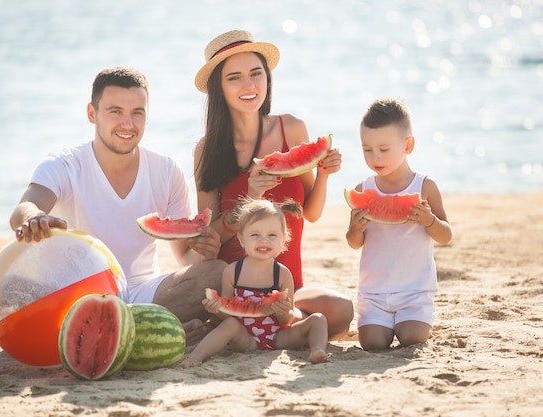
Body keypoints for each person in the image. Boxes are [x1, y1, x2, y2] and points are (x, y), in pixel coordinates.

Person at [9, 66, 225, 343]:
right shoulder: (63, 166)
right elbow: (24, 207)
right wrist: (33, 217)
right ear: (92, 113)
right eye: (115, 111)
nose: (128, 123)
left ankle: (113, 330)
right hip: (79, 291)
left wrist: (205, 251)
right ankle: (140, 330)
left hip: (142, 291)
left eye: (138, 112)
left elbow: (185, 257)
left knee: (217, 273)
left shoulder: (166, 171)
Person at [193, 29, 353, 339]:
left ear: (268, 78)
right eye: (234, 77)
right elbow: (210, 238)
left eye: (256, 74)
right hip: (235, 287)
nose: (249, 85)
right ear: (219, 88)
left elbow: (311, 212)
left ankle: (268, 327)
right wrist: (250, 198)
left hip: (286, 285)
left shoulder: (291, 128)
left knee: (343, 310)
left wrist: (324, 174)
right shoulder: (207, 149)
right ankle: (260, 327)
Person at [345, 97, 453, 351]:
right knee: (372, 343)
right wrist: (354, 230)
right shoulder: (364, 189)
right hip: (374, 293)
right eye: (367, 149)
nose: (375, 157)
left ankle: (411, 320)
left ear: (408, 145)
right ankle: (381, 322)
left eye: (384, 149)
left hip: (415, 292)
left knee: (412, 338)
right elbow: (354, 243)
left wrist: (430, 221)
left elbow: (446, 235)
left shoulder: (425, 187)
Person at [181, 198, 330, 366]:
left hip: (279, 337)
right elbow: (228, 314)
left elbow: (286, 320)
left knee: (318, 319)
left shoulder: (282, 274)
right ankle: (195, 357)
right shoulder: (232, 272)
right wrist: (216, 309)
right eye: (255, 235)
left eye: (272, 235)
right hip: (246, 337)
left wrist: (282, 312)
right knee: (230, 325)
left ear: (283, 240)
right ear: (242, 239)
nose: (263, 241)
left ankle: (317, 350)